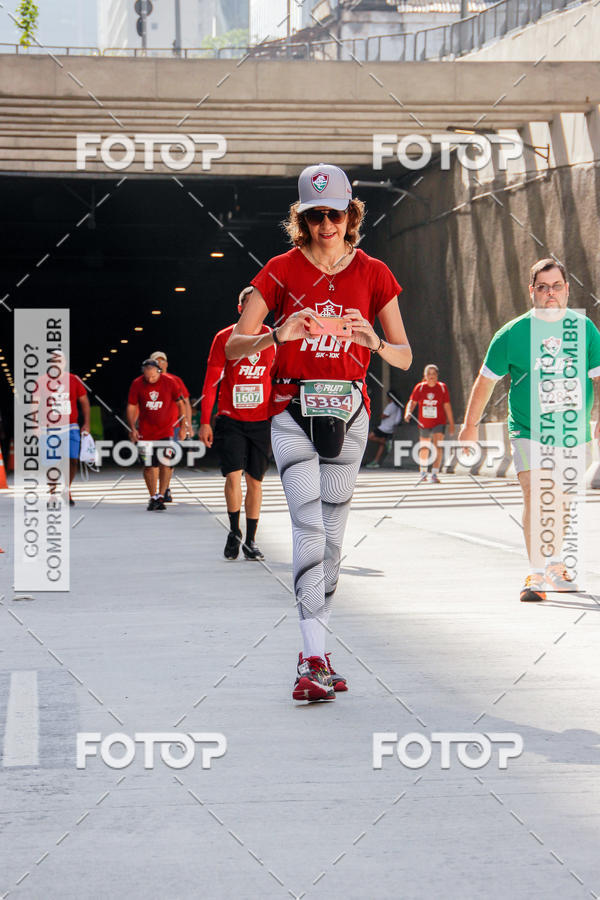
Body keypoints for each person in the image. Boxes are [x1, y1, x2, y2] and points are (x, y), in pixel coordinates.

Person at [225, 162, 412, 702]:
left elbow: (404, 356)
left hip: (349, 415)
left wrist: (372, 341)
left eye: (334, 213)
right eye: (315, 215)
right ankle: (309, 659)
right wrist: (274, 335)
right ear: (301, 220)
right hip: (291, 412)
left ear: (351, 214)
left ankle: (321, 653)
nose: (326, 224)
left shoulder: (375, 273)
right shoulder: (280, 270)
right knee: (307, 529)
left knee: (332, 541)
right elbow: (236, 345)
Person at [459, 258, 600, 602]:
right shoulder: (512, 334)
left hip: (572, 431)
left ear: (567, 289)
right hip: (527, 429)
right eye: (542, 287)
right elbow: (485, 382)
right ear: (532, 291)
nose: (550, 293)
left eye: (556, 286)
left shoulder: (585, 330)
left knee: (563, 501)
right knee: (537, 494)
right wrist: (469, 426)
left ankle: (554, 564)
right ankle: (536, 571)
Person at [199, 286, 275, 561]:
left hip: (261, 420)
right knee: (233, 476)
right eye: (247, 302)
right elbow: (211, 382)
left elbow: (283, 378)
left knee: (255, 481)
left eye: (258, 302)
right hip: (231, 418)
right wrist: (206, 421)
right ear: (240, 308)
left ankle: (251, 540)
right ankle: (234, 532)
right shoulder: (224, 338)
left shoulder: (273, 338)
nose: (252, 306)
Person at [126, 359, 186, 510]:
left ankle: (161, 494)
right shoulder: (137, 383)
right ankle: (153, 496)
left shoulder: (170, 382)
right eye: (147, 377)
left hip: (166, 430)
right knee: (148, 465)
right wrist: (132, 427)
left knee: (166, 462)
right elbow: (132, 406)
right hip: (145, 432)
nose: (150, 379)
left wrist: (183, 425)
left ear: (159, 371)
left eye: (153, 377)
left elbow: (181, 404)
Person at [36, 352, 91, 506]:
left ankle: (67, 489)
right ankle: (53, 494)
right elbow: (34, 403)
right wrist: (34, 424)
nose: (56, 363)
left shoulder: (73, 379)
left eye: (59, 360)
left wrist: (87, 423)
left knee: (72, 458)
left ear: (65, 362)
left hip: (70, 426)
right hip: (48, 428)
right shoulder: (41, 381)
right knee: (50, 462)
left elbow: (84, 402)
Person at [149, 351, 192, 503]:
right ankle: (161, 491)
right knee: (156, 461)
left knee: (168, 459)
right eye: (156, 361)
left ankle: (165, 488)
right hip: (152, 428)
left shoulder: (175, 381)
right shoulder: (146, 382)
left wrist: (186, 425)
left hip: (172, 427)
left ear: (166, 364)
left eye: (162, 361)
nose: (160, 363)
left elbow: (185, 402)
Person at [404, 364, 454, 483]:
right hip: (424, 423)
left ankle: (435, 474)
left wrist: (451, 423)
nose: (431, 376)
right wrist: (408, 412)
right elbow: (412, 402)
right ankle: (423, 472)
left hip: (439, 422)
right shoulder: (420, 388)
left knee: (438, 447)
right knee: (425, 447)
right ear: (425, 376)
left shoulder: (442, 387)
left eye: (433, 374)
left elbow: (447, 406)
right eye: (429, 374)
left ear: (437, 376)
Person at [365, 392, 404, 468]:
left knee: (370, 437)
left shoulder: (391, 406)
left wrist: (380, 416)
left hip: (384, 428)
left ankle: (386, 442)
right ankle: (376, 461)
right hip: (390, 428)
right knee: (381, 445)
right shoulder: (397, 406)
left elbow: (384, 415)